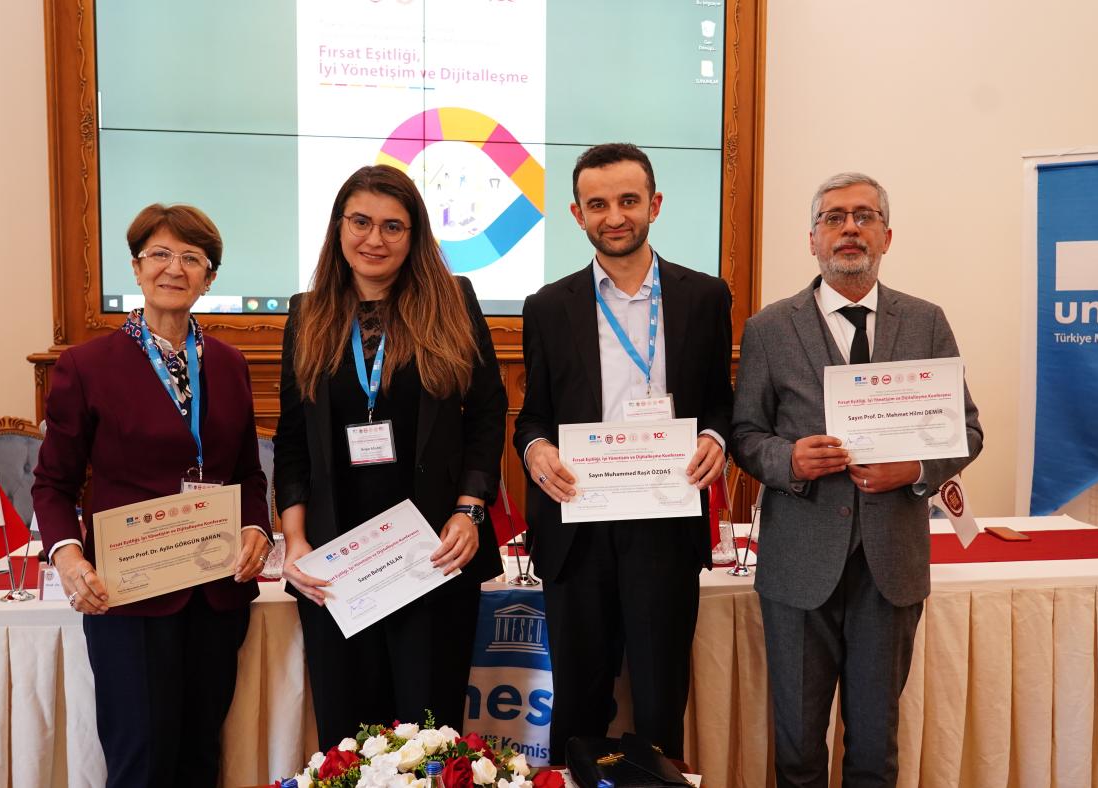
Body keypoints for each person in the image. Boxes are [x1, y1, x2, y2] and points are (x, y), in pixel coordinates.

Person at [731, 172, 983, 787]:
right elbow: (745, 435)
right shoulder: (769, 327)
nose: (850, 228)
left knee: (875, 747)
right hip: (798, 565)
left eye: (864, 216)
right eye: (834, 217)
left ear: (886, 237)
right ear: (812, 239)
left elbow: (967, 430)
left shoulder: (925, 321)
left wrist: (915, 469)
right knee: (797, 749)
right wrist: (789, 460)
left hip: (890, 564)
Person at [32, 203, 273, 787]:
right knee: (141, 763)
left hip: (215, 593)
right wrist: (68, 557)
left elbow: (248, 472)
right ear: (137, 269)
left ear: (209, 278)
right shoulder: (87, 366)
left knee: (200, 760)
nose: (174, 268)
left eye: (192, 258)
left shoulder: (229, 364)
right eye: (159, 254)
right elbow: (54, 483)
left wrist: (256, 527)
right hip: (131, 596)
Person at [513, 143, 734, 762]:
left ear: (654, 205)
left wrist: (717, 439)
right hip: (577, 526)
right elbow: (532, 416)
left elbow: (721, 402)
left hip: (665, 522)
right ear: (577, 214)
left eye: (629, 201)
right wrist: (535, 449)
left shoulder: (704, 297)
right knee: (578, 706)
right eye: (598, 204)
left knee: (661, 703)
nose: (615, 217)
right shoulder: (548, 307)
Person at [273, 165, 507, 747]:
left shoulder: (453, 302)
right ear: (338, 227)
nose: (374, 239)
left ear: (414, 235)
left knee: (428, 736)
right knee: (348, 739)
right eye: (361, 222)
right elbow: (293, 438)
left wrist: (470, 510)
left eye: (392, 226)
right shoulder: (307, 314)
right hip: (335, 560)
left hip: (432, 552)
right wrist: (294, 540)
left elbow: (485, 415)